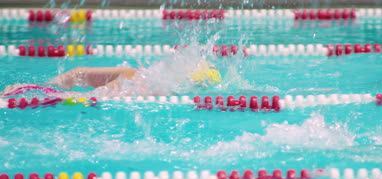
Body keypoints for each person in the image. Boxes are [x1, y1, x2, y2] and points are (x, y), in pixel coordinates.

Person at [1, 61, 222, 97]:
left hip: (42, 92)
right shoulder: (148, 86)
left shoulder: (134, 73)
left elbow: (78, 72)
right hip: (80, 100)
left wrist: (42, 86)